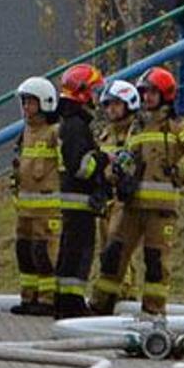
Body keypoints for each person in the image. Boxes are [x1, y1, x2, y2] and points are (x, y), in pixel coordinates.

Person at [98, 67, 184, 318]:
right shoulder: (136, 128)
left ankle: (153, 313)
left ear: (165, 94)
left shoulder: (175, 127)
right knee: (113, 257)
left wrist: (179, 174)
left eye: (152, 92)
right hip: (131, 206)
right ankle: (100, 307)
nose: (147, 97)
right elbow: (126, 159)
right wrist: (118, 175)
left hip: (161, 212)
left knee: (155, 263)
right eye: (144, 92)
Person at [52, 64, 109, 319]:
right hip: (78, 201)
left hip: (73, 200)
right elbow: (81, 167)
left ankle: (66, 302)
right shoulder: (76, 126)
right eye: (94, 90)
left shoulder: (70, 122)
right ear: (82, 92)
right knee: (78, 254)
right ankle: (71, 305)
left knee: (70, 252)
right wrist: (102, 159)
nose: (97, 96)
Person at [7, 77, 61, 316]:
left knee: (44, 253)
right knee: (24, 251)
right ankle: (28, 297)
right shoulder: (26, 132)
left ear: (45, 103)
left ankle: (48, 299)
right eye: (24, 102)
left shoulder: (55, 132)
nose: (26, 108)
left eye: (30, 102)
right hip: (25, 209)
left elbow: (65, 167)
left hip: (48, 209)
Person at [88, 79, 141, 313]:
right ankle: (111, 294)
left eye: (116, 105)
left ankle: (125, 293)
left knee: (118, 248)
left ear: (129, 104)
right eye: (108, 105)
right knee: (105, 248)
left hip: (125, 199)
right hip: (106, 199)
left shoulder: (136, 133)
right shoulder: (105, 135)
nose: (111, 110)